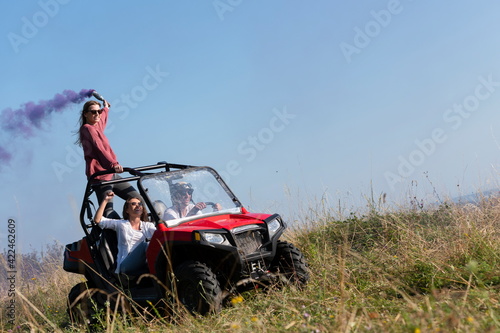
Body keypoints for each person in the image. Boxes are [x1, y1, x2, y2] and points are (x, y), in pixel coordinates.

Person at [76, 99, 141, 218]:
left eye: (99, 112)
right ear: (85, 114)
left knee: (138, 200)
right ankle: (121, 233)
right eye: (93, 112)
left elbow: (102, 120)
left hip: (111, 174)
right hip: (101, 176)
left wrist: (106, 109)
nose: (97, 114)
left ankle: (140, 229)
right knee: (108, 212)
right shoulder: (87, 129)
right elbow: (99, 148)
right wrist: (113, 165)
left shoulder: (96, 127)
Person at [94, 191, 156, 275]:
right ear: (127, 210)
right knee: (147, 245)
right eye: (133, 204)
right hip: (125, 264)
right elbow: (98, 220)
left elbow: (159, 235)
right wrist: (105, 200)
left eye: (140, 204)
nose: (138, 205)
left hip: (142, 261)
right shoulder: (121, 224)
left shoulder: (147, 225)